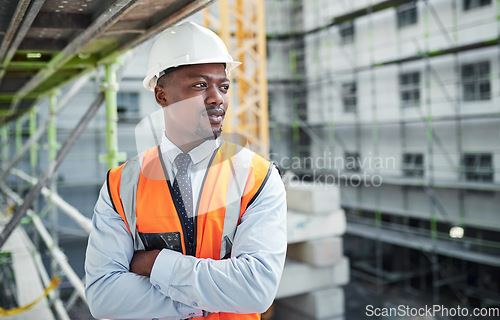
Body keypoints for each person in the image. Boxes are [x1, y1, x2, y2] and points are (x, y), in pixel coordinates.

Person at [84, 22, 287, 320]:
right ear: (161, 96)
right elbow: (104, 296)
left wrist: (155, 264)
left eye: (224, 86)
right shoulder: (121, 185)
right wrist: (209, 301)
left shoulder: (258, 177)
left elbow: (256, 291)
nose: (217, 97)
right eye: (200, 85)